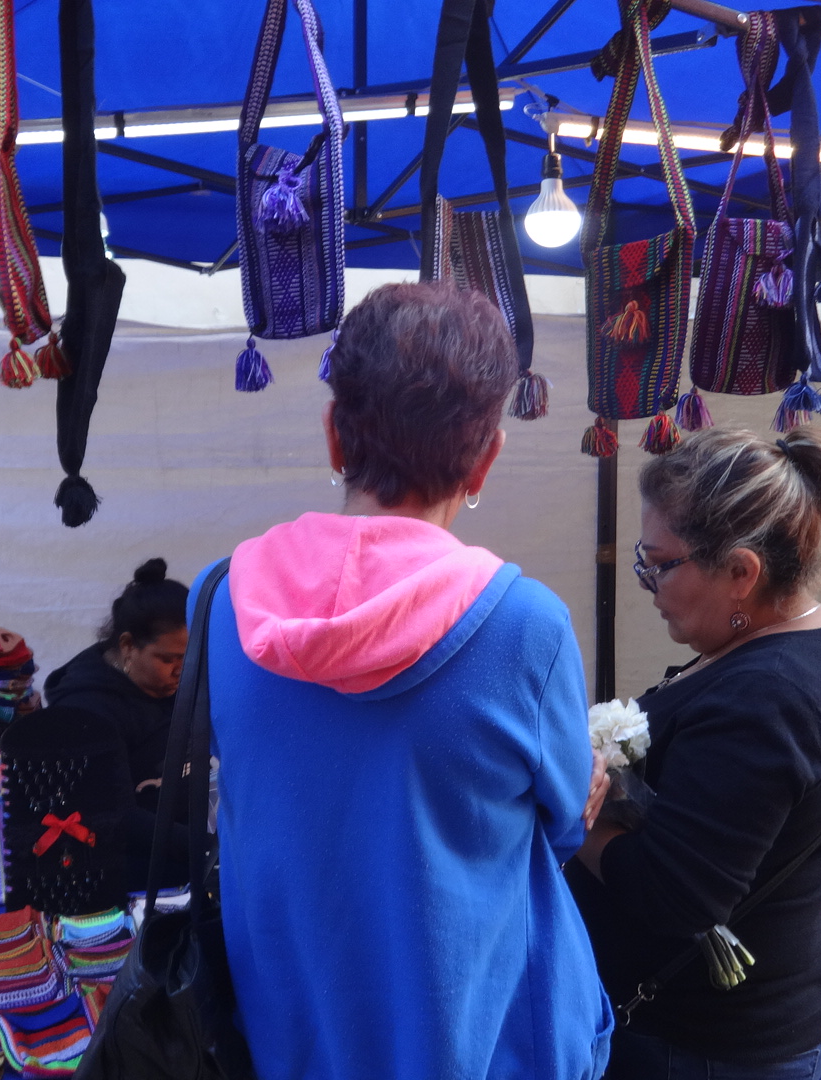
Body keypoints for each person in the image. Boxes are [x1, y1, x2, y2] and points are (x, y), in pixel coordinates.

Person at [198, 282, 615, 1080]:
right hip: (484, 1042)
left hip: (293, 1036)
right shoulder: (525, 625)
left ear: (333, 436)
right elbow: (564, 828)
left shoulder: (221, 602)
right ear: (486, 458)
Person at [569, 426, 821, 1080]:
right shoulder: (798, 641)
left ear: (740, 572)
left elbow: (673, 898)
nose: (647, 583)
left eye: (660, 563)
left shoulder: (770, 695)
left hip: (703, 1046)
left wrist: (574, 807)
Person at [37, 558, 190, 891]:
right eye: (167, 659)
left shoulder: (177, 683)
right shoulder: (86, 711)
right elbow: (115, 817)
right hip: (121, 871)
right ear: (127, 646)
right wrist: (206, 848)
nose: (181, 670)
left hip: (182, 845)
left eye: (189, 657)